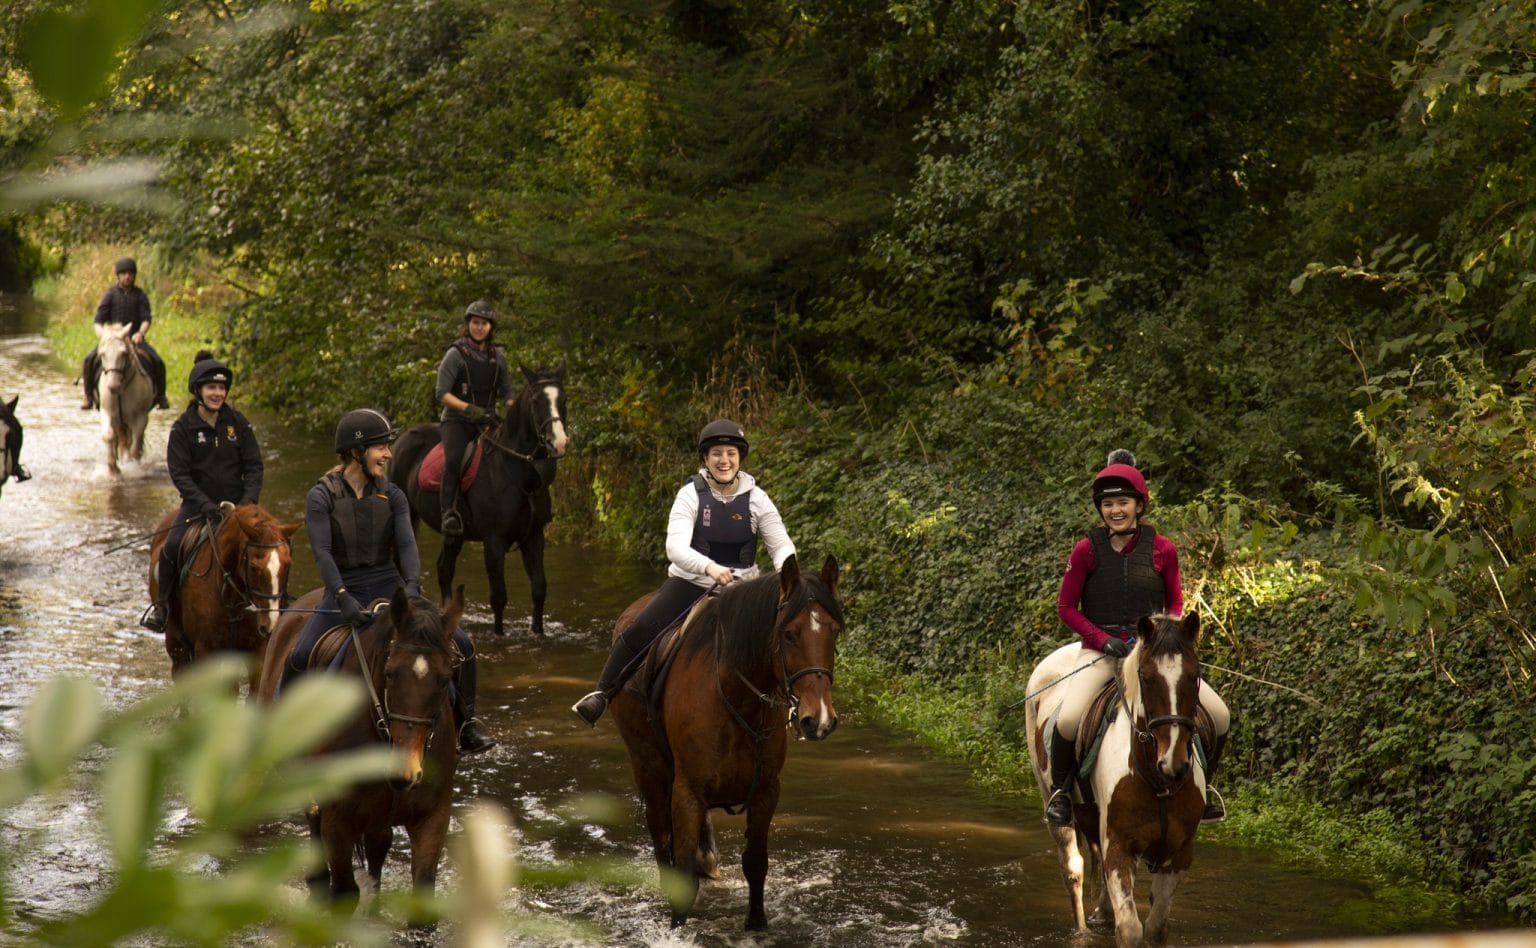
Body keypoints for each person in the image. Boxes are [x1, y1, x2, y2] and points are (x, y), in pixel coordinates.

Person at [277, 408, 495, 755]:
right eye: (381, 447)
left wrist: (410, 589)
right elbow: (322, 553)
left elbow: (407, 545)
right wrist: (343, 597)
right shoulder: (321, 496)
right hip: (345, 587)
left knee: (464, 646)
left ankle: (465, 724)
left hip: (389, 583)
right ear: (355, 451)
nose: (389, 454)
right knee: (300, 655)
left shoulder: (392, 494)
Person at [1044, 449, 1231, 825]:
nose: (1116, 510)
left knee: (1221, 715)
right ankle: (1062, 794)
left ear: (1139, 506)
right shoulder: (1085, 550)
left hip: (1152, 653)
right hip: (1102, 653)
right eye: (1108, 504)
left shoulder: (1163, 549)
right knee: (1068, 720)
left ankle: (1205, 788)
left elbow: (1175, 603)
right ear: (1101, 509)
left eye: (1123, 502)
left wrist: (1161, 641)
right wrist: (1102, 639)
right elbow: (1067, 608)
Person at [572, 418, 797, 726]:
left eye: (731, 453)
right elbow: (675, 547)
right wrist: (710, 567)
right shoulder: (690, 495)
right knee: (639, 628)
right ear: (706, 458)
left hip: (744, 593)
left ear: (739, 458)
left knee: (792, 639)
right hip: (691, 584)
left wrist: (789, 576)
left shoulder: (758, 499)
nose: (724, 460)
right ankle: (601, 694)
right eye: (716, 453)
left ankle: (799, 707)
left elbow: (781, 546)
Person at [140, 352, 263, 632]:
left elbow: (254, 466)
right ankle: (162, 608)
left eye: (221, 388)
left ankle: (273, 605)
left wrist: (247, 503)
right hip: (198, 508)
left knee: (270, 547)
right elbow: (180, 475)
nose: (218, 393)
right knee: (170, 549)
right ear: (198, 391)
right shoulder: (183, 429)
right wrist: (205, 504)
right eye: (211, 388)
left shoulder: (239, 424)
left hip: (239, 507)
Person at [433, 300, 515, 538]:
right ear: (468, 325)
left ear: (491, 327)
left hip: (487, 419)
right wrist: (469, 409)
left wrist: (516, 408)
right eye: (475, 323)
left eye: (484, 324)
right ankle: (448, 512)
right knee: (454, 460)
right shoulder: (455, 354)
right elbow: (442, 394)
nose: (479, 327)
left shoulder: (498, 356)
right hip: (457, 421)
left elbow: (506, 392)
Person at [80, 257, 169, 411]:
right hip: (113, 340)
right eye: (124, 273)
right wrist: (105, 336)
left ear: (134, 275)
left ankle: (161, 396)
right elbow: (98, 321)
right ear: (118, 276)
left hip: (135, 339)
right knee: (89, 360)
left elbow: (146, 318)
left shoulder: (140, 295)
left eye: (130, 273)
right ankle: (88, 396)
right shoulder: (110, 295)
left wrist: (140, 333)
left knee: (158, 361)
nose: (127, 276)